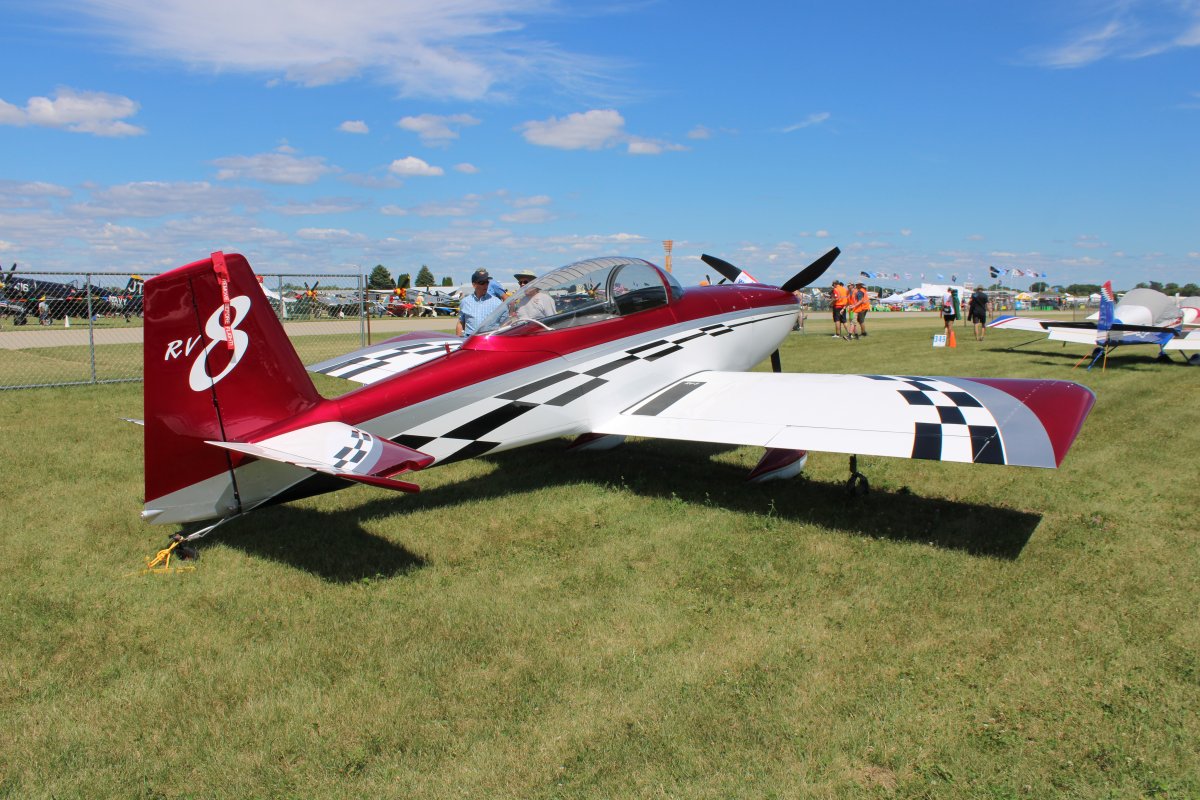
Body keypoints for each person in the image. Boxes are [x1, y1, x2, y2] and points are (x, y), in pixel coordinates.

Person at [456, 269, 505, 337]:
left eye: (487, 282)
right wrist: (459, 339)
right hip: (470, 339)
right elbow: (461, 323)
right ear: (474, 285)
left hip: (489, 339)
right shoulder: (465, 302)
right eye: (482, 283)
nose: (485, 285)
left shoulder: (497, 302)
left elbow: (504, 324)